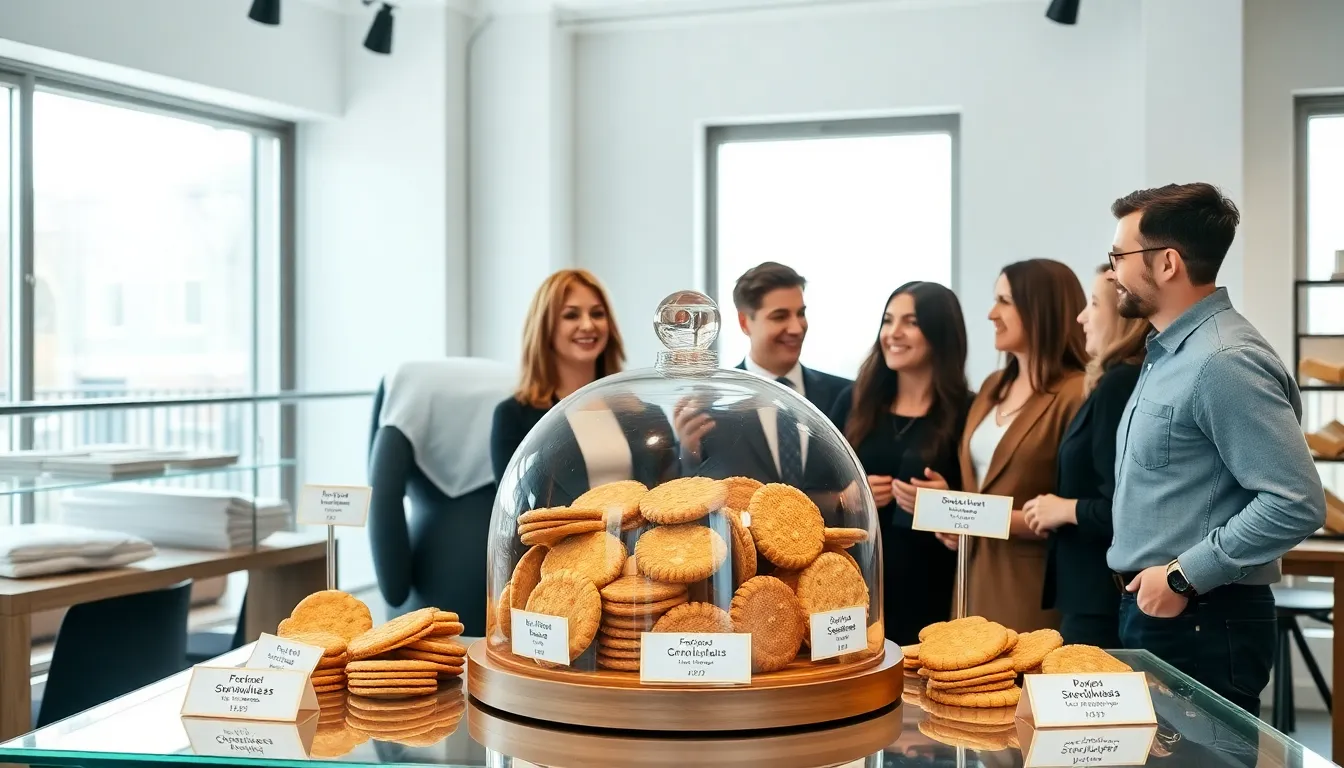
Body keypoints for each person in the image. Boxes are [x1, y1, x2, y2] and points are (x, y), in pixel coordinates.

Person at [1106, 182, 1326, 715]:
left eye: (1119, 255)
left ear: (1167, 264)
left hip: (1200, 616)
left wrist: (1183, 576)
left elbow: (1296, 501)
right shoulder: (1170, 351)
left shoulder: (1223, 360)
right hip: (1163, 608)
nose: (1111, 268)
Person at [939, 258, 1088, 632]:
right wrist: (951, 513)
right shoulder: (993, 386)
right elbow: (982, 484)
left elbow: (1080, 509)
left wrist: (973, 517)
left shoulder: (1078, 393)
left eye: (1005, 301)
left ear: (1041, 309)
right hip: (970, 580)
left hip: (1028, 588)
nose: (992, 313)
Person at [830, 282, 972, 645]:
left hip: (933, 584)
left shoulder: (967, 411)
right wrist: (848, 499)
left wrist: (947, 501)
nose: (893, 333)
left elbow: (979, 503)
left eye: (910, 322)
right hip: (856, 578)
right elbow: (813, 493)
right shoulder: (854, 401)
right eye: (888, 320)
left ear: (940, 332)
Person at [1024, 264, 1148, 648]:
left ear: (1123, 318)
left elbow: (1124, 508)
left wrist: (1062, 510)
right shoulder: (1110, 382)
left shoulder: (1120, 384)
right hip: (1091, 596)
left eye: (1093, 304)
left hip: (1101, 600)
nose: (1081, 318)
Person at [490, 269, 676, 505]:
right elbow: (513, 508)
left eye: (597, 314)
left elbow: (669, 497)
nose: (588, 325)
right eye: (571, 315)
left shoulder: (646, 414)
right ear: (544, 326)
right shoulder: (513, 416)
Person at [677, 262, 850, 488]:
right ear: (744, 322)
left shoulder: (847, 395)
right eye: (780, 316)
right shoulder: (710, 404)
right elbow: (689, 489)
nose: (797, 328)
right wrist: (689, 454)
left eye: (801, 313)